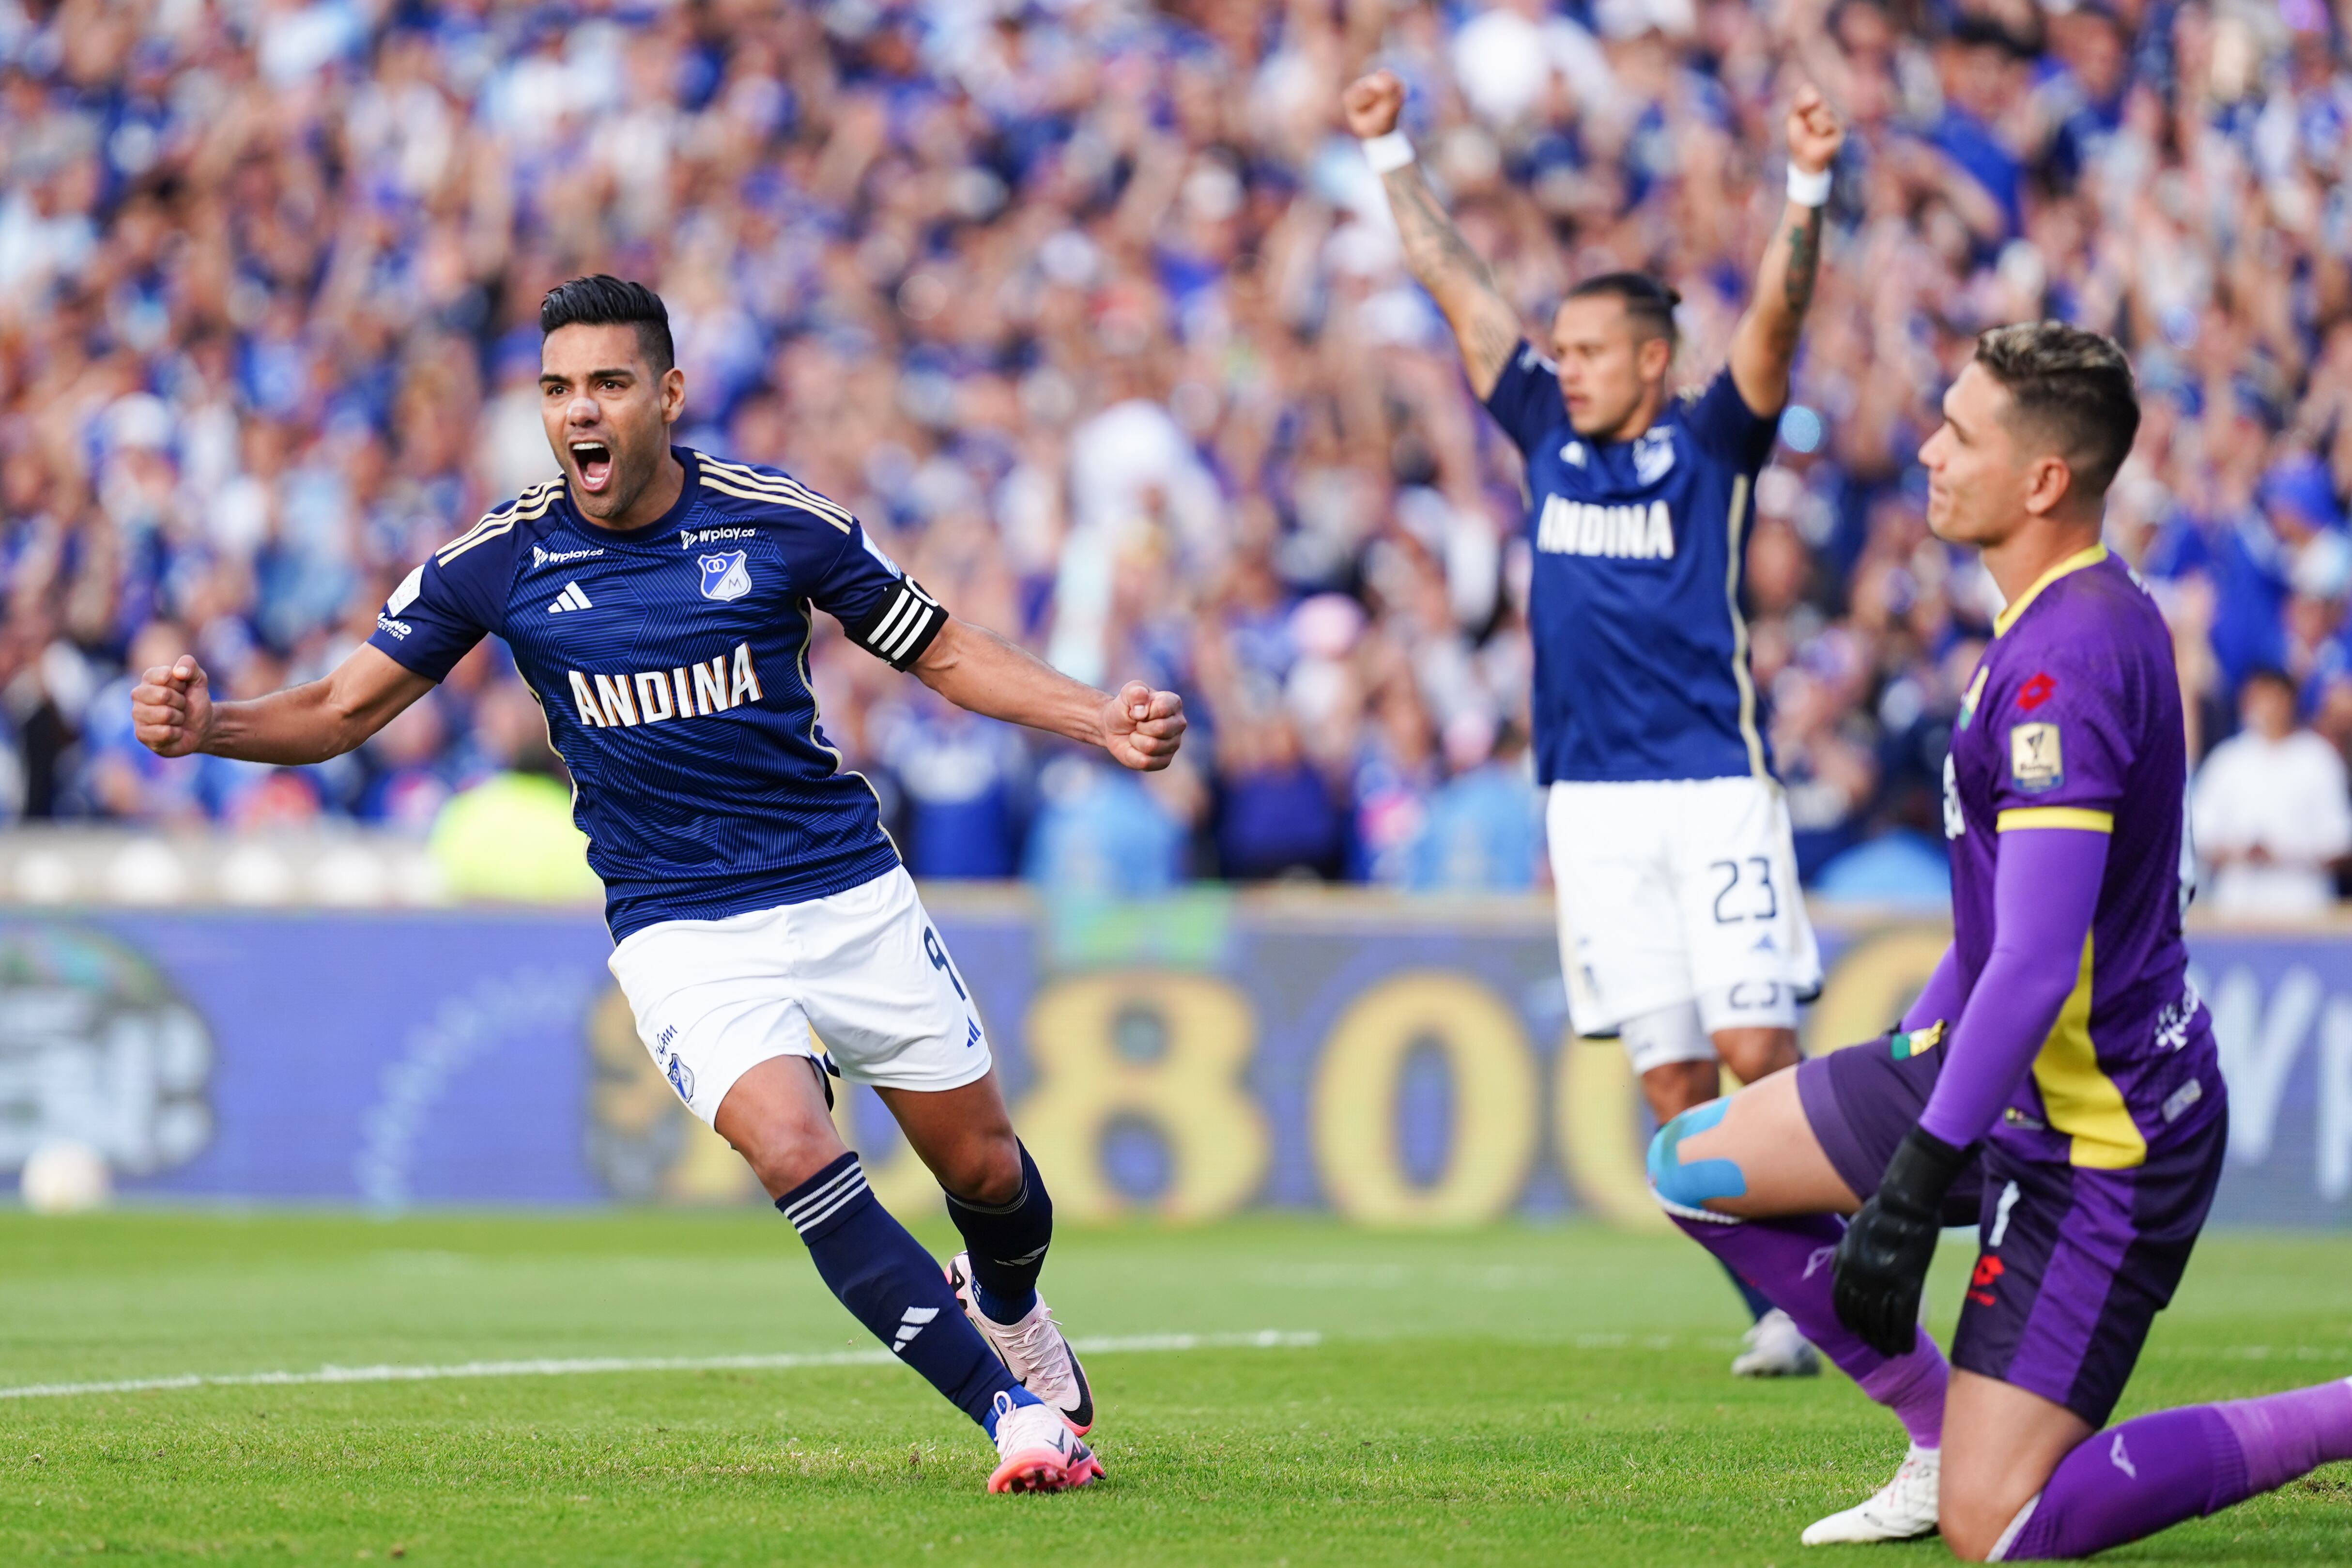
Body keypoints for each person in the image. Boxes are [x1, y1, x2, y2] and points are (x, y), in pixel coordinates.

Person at [131, 276, 1191, 1495]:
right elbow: (334, 708)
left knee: (987, 1173)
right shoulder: (501, 555)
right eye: (557, 389)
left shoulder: (776, 521)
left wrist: (1095, 718)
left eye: (607, 384)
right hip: (678, 920)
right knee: (796, 1149)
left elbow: (941, 649)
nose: (579, 412)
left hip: (842, 886)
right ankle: (1012, 1417)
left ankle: (1004, 1298)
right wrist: (213, 726)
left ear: (667, 395)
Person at [1645, 323, 2352, 1556]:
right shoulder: (2056, 614)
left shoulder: (2060, 661)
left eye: (1957, 432)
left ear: (2040, 481)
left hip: (2100, 1134)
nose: (1923, 447)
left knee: (2001, 1532)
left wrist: (1913, 1177)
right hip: (1997, 1064)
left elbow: (2032, 958)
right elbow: (1991, 936)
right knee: (1696, 1165)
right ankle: (1932, 1432)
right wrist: (1915, 1046)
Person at [1341, 68, 1842, 1376]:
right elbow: (1461, 294)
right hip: (1592, 802)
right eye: (1554, 351)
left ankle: (1844, 1271)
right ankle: (1787, 1305)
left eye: (1585, 352)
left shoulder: (1715, 443)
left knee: (1753, 1048)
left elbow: (1778, 328)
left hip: (1712, 779)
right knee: (1672, 1085)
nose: (1560, 368)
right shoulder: (1543, 441)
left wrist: (1805, 190)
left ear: (1652, 359)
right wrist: (1391, 146)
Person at [2190, 666, 2352, 920]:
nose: (2265, 708)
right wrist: (2242, 852)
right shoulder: (2227, 760)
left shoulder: (2319, 759)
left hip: (2306, 911)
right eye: (2257, 699)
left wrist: (2283, 855)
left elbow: (2340, 842)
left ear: (2290, 701)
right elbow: (2198, 834)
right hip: (2235, 912)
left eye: (2272, 698)